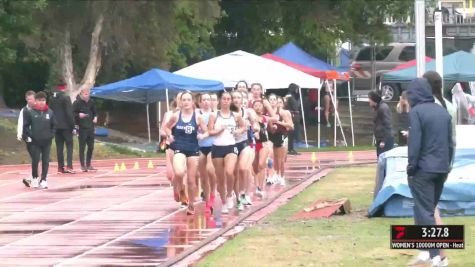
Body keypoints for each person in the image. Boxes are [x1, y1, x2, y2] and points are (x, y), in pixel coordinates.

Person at [405, 78, 454, 267]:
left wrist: (411, 166)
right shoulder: (442, 111)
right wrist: (448, 163)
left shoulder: (416, 112)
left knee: (424, 212)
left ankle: (435, 257)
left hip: (423, 169)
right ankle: (426, 252)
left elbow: (414, 142)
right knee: (426, 209)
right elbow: (450, 142)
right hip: (442, 168)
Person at [420, 71, 457, 267]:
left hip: (428, 164)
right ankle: (432, 252)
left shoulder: (428, 108)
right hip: (443, 163)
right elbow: (452, 140)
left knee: (430, 210)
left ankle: (440, 255)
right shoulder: (449, 106)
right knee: (431, 208)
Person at [163, 91, 209, 215]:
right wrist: (169, 135)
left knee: (191, 180)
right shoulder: (176, 116)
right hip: (179, 148)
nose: (186, 102)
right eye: (184, 100)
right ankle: (182, 190)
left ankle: (191, 204)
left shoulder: (197, 117)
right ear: (181, 102)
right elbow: (166, 127)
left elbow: (207, 131)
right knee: (178, 172)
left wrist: (202, 136)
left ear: (192, 102)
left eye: (188, 100)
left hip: (193, 150)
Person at [208, 91, 245, 214]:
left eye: (228, 99)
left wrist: (238, 131)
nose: (226, 101)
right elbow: (210, 131)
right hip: (217, 148)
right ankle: (223, 201)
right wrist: (218, 130)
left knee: (230, 172)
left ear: (231, 101)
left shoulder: (236, 116)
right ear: (220, 101)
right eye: (224, 99)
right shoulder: (214, 115)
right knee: (220, 178)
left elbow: (244, 127)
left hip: (231, 147)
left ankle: (230, 194)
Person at [22, 91, 56, 189]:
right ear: (36, 101)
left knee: (45, 161)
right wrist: (30, 136)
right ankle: (35, 178)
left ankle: (44, 180)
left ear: (46, 101)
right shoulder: (30, 112)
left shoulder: (50, 112)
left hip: (47, 141)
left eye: (43, 100)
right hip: (35, 142)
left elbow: (54, 125)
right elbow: (26, 126)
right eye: (39, 100)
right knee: (35, 161)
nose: (42, 102)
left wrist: (51, 135)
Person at [232, 90, 257, 210]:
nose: (236, 100)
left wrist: (255, 127)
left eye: (238, 97)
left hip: (246, 143)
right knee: (234, 173)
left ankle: (244, 193)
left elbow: (255, 123)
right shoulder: (227, 113)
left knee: (243, 168)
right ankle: (238, 197)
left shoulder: (247, 112)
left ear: (242, 100)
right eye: (234, 98)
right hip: (231, 144)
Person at [197, 93, 218, 214]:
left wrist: (206, 133)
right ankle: (206, 195)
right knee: (203, 175)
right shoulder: (196, 114)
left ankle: (213, 194)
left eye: (208, 99)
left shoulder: (215, 115)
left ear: (211, 102)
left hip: (213, 146)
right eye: (203, 100)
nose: (206, 102)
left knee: (210, 170)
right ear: (200, 102)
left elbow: (214, 130)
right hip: (200, 147)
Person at [49, 84, 75, 174]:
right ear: (65, 87)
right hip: (66, 126)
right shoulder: (66, 98)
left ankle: (60, 167)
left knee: (59, 147)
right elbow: (69, 113)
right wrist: (73, 126)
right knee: (69, 146)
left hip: (56, 126)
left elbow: (50, 112)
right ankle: (69, 166)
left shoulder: (52, 98)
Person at [268, 96, 294, 186]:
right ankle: (272, 174)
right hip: (270, 136)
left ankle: (281, 176)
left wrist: (280, 123)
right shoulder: (266, 112)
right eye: (270, 100)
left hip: (281, 135)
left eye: (274, 100)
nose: (272, 102)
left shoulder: (283, 112)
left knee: (281, 159)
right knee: (271, 156)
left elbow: (291, 126)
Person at [73, 89, 98, 172]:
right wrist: (78, 115)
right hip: (82, 127)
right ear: (81, 94)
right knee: (82, 147)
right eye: (85, 94)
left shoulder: (92, 102)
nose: (86, 96)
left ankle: (88, 164)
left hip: (90, 127)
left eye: (88, 94)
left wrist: (95, 118)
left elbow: (95, 112)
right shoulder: (77, 103)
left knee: (91, 146)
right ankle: (82, 165)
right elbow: (72, 113)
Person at [18, 90, 36, 186]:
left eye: (32, 99)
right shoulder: (24, 110)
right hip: (29, 139)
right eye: (28, 99)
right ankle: (33, 178)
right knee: (36, 158)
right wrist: (21, 135)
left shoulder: (39, 108)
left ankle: (34, 178)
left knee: (38, 159)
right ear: (26, 99)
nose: (30, 101)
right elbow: (21, 123)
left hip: (40, 138)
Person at [368, 90, 394, 157]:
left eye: (369, 99)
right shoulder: (378, 108)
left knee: (383, 160)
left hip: (385, 140)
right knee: (380, 160)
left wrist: (384, 141)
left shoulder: (383, 108)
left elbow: (388, 124)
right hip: (380, 139)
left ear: (374, 99)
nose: (369, 101)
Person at [286, 83, 301, 155]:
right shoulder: (291, 97)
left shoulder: (290, 96)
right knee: (291, 134)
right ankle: (290, 148)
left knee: (291, 134)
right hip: (293, 117)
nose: (297, 90)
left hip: (292, 116)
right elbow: (296, 106)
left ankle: (290, 148)